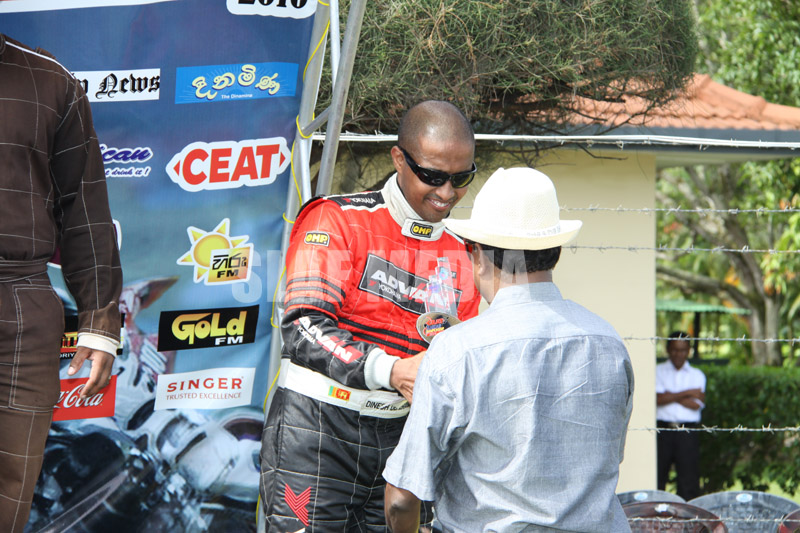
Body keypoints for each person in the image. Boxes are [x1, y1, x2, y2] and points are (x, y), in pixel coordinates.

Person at [259, 100, 482, 531]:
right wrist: (392, 369)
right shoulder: (337, 218)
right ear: (398, 159)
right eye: (433, 176)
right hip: (317, 430)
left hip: (403, 439)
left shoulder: (462, 252)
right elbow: (303, 327)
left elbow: (461, 354)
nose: (447, 192)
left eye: (462, 178)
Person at [383, 167, 634, 533]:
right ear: (555, 252)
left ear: (480, 257)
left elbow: (402, 498)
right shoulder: (610, 344)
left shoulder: (459, 351)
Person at [0, 34, 122, 532]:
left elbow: (84, 206)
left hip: (20, 301)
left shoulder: (48, 79)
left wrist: (98, 320)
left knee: (13, 482)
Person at [656, 331, 706, 500]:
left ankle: (687, 520)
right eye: (675, 350)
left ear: (689, 350)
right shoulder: (657, 371)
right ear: (668, 350)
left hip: (687, 432)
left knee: (688, 480)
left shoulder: (697, 375)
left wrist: (670, 395)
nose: (679, 354)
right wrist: (688, 393)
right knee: (658, 476)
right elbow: (657, 399)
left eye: (683, 350)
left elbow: (695, 404)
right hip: (662, 429)